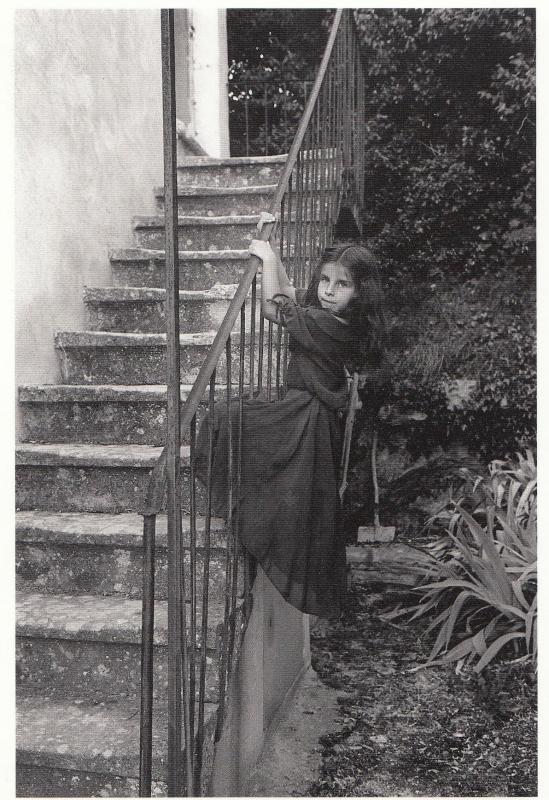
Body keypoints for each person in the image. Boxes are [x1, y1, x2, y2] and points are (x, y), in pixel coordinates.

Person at [195, 232, 388, 619]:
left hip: (307, 418)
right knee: (228, 419)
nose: (330, 291)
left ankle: (256, 517)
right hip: (301, 408)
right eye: (325, 281)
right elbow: (284, 289)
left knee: (227, 419)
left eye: (343, 284)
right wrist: (272, 253)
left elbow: (271, 306)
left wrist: (265, 258)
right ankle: (254, 508)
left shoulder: (333, 325)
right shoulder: (329, 314)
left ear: (359, 293)